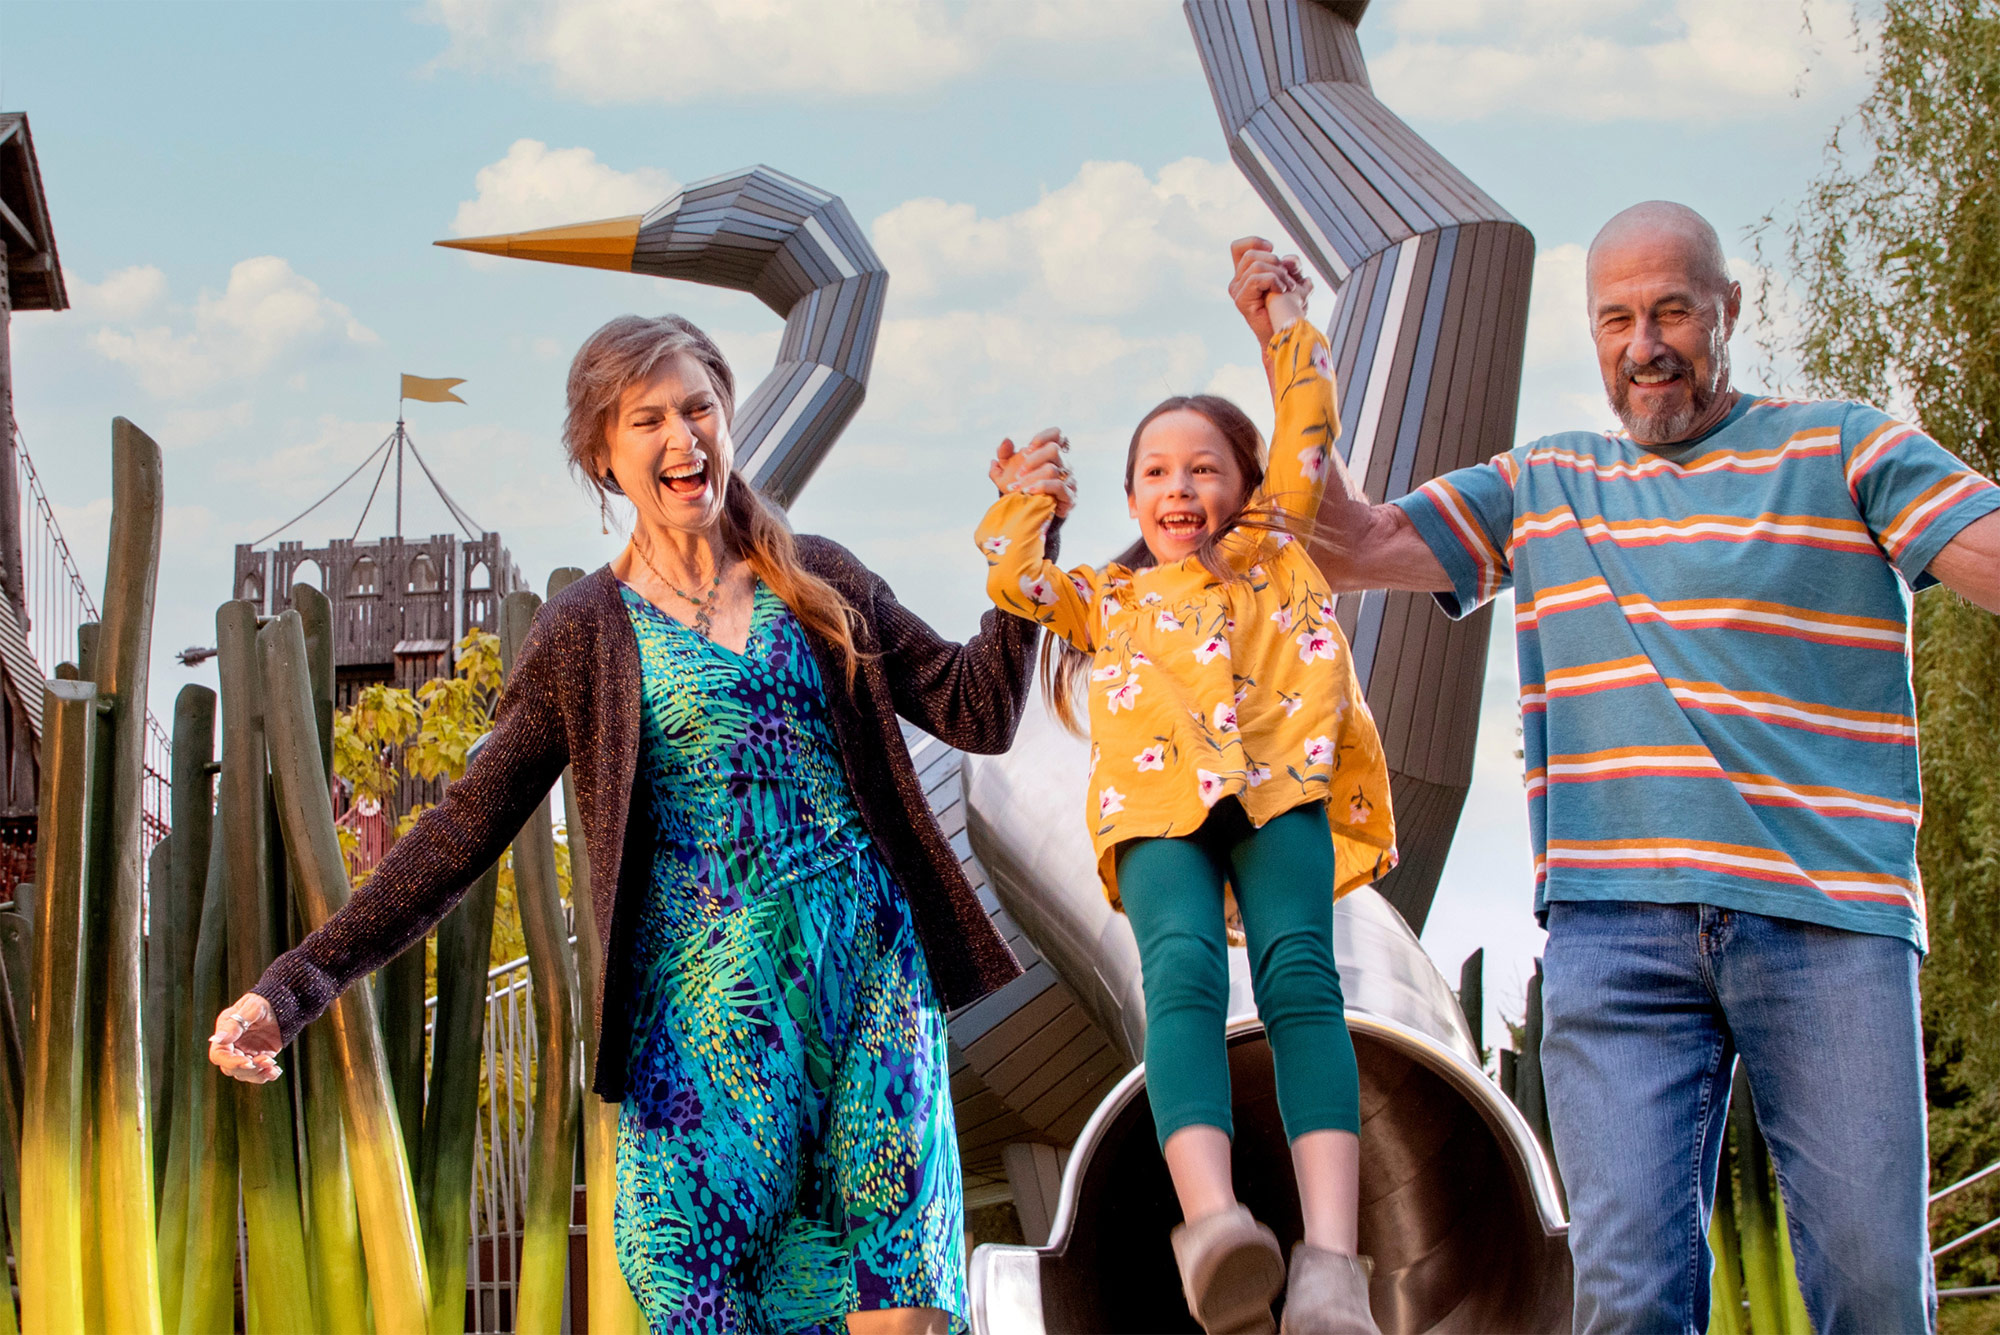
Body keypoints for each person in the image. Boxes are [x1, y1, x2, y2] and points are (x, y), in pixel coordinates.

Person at [208, 313, 1077, 1335]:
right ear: (602, 456)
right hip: (703, 1028)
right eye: (648, 419)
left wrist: (1028, 554)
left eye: (699, 408)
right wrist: (292, 987)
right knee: (695, 1289)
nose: (683, 436)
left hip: (868, 988)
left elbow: (975, 709)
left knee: (900, 1294)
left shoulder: (822, 577)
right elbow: (463, 829)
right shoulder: (585, 630)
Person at [1231, 205, 2000, 1334]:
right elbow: (1345, 541)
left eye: (1673, 312)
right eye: (1616, 319)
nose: (1645, 345)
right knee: (1628, 1297)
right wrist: (1288, 343)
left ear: (1728, 309)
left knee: (1871, 1285)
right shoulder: (1543, 481)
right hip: (1615, 932)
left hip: (1826, 923)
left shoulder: (1842, 448)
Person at [977, 259, 1397, 1335]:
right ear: (1130, 500)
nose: (1179, 489)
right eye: (1156, 473)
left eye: (1205, 469)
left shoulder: (1278, 551)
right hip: (1158, 813)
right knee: (1181, 978)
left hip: (1280, 788)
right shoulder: (1107, 600)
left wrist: (1281, 322)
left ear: (1249, 485)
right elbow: (1013, 578)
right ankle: (1212, 1225)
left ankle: (1330, 1264)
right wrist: (1027, 498)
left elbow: (1309, 417)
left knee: (1301, 978)